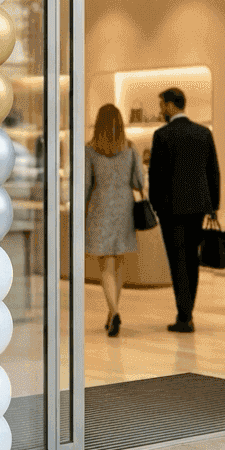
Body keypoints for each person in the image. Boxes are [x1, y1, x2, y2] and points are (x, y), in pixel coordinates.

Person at [147, 87, 220, 332]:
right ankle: (187, 312)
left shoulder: (162, 135)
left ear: (169, 105)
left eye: (161, 105)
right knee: (191, 260)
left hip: (171, 210)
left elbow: (155, 176)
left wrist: (155, 206)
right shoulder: (203, 133)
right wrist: (213, 206)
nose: (160, 111)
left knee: (177, 261)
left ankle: (184, 316)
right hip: (198, 207)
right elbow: (213, 172)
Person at [84, 103, 144, 338]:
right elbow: (139, 182)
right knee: (119, 263)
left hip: (100, 207)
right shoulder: (130, 149)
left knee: (105, 266)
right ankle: (112, 313)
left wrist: (82, 211)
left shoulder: (89, 151)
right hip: (124, 208)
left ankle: (114, 313)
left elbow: (86, 186)